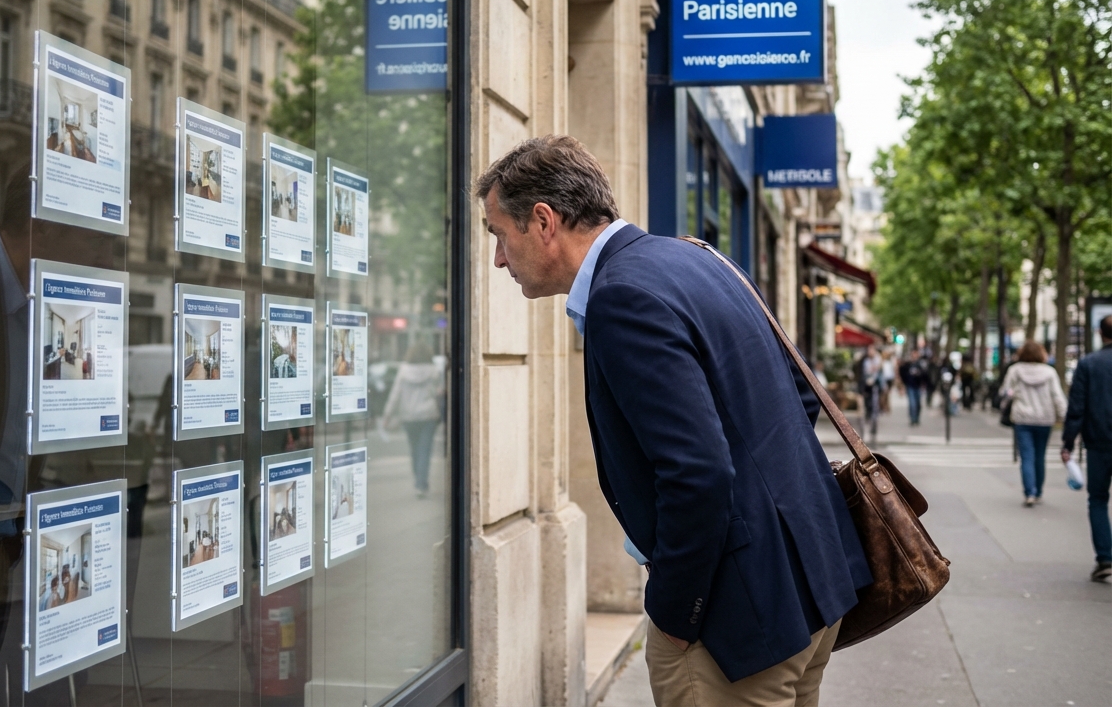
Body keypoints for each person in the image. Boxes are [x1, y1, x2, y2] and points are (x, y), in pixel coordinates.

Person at [477, 136, 870, 706]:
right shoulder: (698, 257)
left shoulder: (621, 297)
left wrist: (674, 612)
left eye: (498, 235)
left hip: (735, 620)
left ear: (543, 221)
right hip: (812, 588)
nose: (497, 258)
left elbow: (699, 473)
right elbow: (799, 395)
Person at [1060, 314, 1112, 582]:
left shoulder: (1089, 364)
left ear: (1099, 333)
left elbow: (1077, 408)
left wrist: (1068, 442)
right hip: (1099, 440)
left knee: (1098, 499)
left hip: (1100, 441)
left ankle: (1105, 557)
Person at [1001, 340, 1066, 507]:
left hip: (1022, 419)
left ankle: (1029, 492)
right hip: (1045, 419)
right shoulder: (1049, 372)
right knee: (1040, 456)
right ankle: (1038, 492)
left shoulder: (1015, 370)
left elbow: (1005, 392)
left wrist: (1012, 395)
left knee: (1027, 457)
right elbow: (1057, 396)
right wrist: (1064, 417)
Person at [381, 340, 445, 498]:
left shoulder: (403, 371)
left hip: (408, 416)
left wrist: (387, 415)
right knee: (425, 450)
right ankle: (421, 484)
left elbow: (395, 394)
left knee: (414, 449)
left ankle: (419, 480)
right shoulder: (434, 371)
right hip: (428, 415)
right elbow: (439, 392)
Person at [899, 351, 926, 425]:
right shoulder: (908, 364)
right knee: (912, 403)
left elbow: (925, 375)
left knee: (918, 403)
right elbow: (902, 372)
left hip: (918, 386)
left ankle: (917, 418)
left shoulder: (920, 364)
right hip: (910, 386)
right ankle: (912, 419)